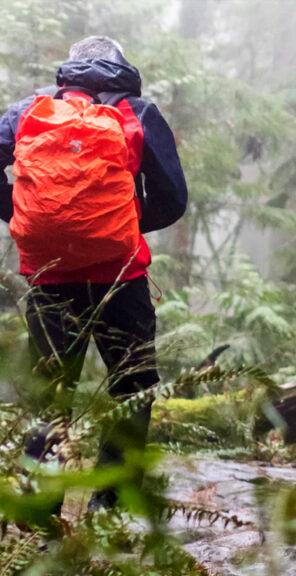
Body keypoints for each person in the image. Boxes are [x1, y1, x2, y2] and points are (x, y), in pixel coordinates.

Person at [0, 36, 188, 518]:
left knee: (51, 393)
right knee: (133, 387)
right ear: (122, 65)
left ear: (70, 69)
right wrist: (115, 224)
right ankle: (112, 510)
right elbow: (173, 199)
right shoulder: (138, 113)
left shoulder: (27, 112)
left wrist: (22, 215)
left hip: (49, 277)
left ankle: (38, 517)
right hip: (121, 278)